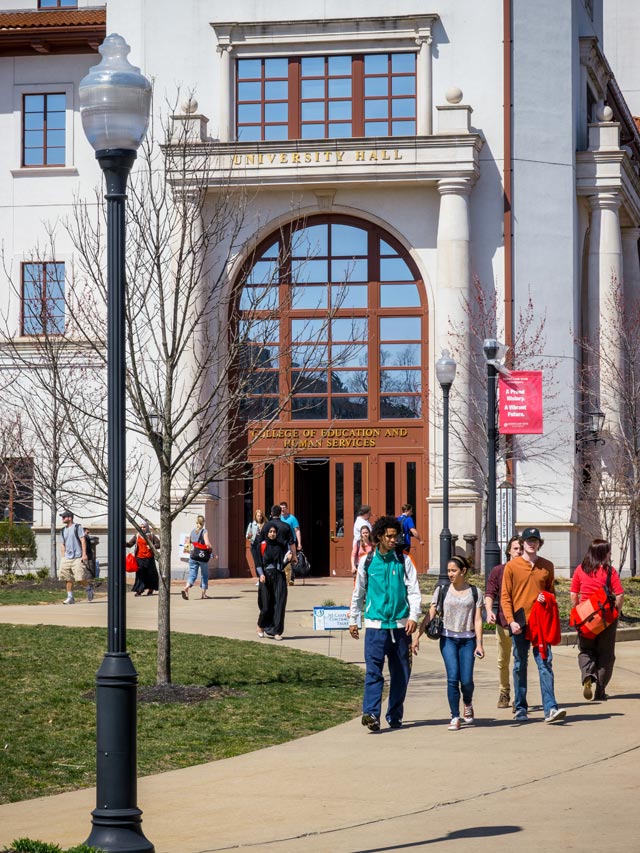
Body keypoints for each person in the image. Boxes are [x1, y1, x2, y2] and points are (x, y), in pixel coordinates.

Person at [349, 515, 421, 731]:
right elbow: (359, 592)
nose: (393, 540)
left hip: (400, 627)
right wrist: (354, 619)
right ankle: (371, 714)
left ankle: (395, 714)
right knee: (373, 672)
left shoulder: (403, 560)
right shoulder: (367, 561)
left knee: (401, 675)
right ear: (379, 536)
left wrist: (413, 617)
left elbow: (414, 591)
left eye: (395, 536)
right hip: (375, 627)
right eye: (389, 536)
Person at [501, 527, 567, 724]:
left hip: (540, 625)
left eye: (535, 540)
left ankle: (550, 708)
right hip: (519, 624)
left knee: (545, 664)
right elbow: (505, 597)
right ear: (522, 543)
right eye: (528, 540)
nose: (531, 543)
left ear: (539, 543)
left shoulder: (547, 566)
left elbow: (552, 595)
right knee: (520, 665)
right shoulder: (512, 567)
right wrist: (511, 621)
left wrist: (545, 598)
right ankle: (520, 707)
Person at [413, 556, 484, 730]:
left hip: (468, 640)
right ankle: (455, 716)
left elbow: (477, 620)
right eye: (449, 571)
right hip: (448, 640)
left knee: (466, 680)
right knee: (453, 678)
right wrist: (417, 636)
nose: (450, 574)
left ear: (463, 571)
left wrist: (479, 643)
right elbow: (430, 615)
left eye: (454, 570)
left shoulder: (475, 592)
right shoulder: (442, 590)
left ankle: (467, 702)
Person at [570, 539, 624, 701]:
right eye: (608, 551)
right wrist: (616, 611)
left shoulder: (580, 570)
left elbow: (574, 594)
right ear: (602, 553)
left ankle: (587, 675)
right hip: (605, 619)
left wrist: (578, 610)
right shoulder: (609, 571)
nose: (610, 554)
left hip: (586, 620)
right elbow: (620, 594)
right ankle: (600, 691)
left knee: (586, 650)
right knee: (606, 655)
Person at [485, 535, 523, 708]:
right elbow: (490, 593)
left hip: (522, 624)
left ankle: (519, 697)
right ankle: (504, 691)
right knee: (503, 660)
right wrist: (488, 611)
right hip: (502, 622)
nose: (519, 551)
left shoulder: (527, 571)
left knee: (519, 661)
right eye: (516, 548)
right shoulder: (498, 571)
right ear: (509, 551)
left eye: (521, 549)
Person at [256, 523, 292, 640]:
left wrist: (288, 559)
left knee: (280, 603)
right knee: (266, 605)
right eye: (270, 532)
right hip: (266, 577)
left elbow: (283, 563)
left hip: (279, 576)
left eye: (274, 532)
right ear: (266, 533)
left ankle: (277, 631)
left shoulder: (280, 545)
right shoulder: (262, 545)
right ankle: (261, 625)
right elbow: (258, 563)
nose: (272, 534)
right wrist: (261, 575)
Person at [59, 510, 88, 605]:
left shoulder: (77, 527)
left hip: (77, 557)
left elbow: (83, 541)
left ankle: (89, 588)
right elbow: (62, 544)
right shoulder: (63, 530)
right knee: (67, 578)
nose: (62, 519)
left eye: (64, 517)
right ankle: (70, 597)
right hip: (67, 558)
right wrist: (63, 557)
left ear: (70, 518)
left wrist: (84, 554)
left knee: (79, 578)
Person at [182, 515, 213, 600]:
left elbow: (188, 544)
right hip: (202, 557)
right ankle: (203, 594)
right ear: (203, 523)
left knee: (192, 574)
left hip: (193, 556)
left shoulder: (192, 531)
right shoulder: (204, 531)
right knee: (205, 575)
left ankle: (186, 587)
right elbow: (207, 544)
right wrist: (212, 549)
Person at [127, 521, 160, 596]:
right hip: (139, 558)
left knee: (151, 574)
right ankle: (139, 590)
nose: (142, 528)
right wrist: (123, 543)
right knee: (140, 575)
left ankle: (151, 590)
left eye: (144, 527)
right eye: (141, 527)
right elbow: (130, 544)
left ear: (147, 527)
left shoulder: (151, 535)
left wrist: (153, 546)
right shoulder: (137, 535)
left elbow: (159, 544)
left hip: (149, 558)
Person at [279, 501, 301, 585]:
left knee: (292, 559)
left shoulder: (292, 518)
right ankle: (284, 577)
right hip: (281, 543)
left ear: (287, 508)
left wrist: (299, 543)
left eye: (284, 508)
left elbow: (297, 531)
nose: (283, 510)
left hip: (290, 542)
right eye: (281, 508)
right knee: (283, 560)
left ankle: (291, 579)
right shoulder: (278, 518)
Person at [246, 509, 266, 582]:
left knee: (263, 561)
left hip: (263, 545)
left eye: (260, 516)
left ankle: (264, 576)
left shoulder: (265, 524)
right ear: (255, 516)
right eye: (258, 516)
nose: (259, 517)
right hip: (254, 545)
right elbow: (247, 536)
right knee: (257, 561)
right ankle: (260, 577)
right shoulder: (252, 524)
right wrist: (249, 536)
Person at [83, 526, 100, 602]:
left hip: (89, 559)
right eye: (87, 530)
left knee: (89, 575)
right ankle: (92, 585)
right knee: (87, 576)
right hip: (86, 558)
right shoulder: (84, 538)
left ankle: (91, 588)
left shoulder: (87, 538)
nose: (89, 531)